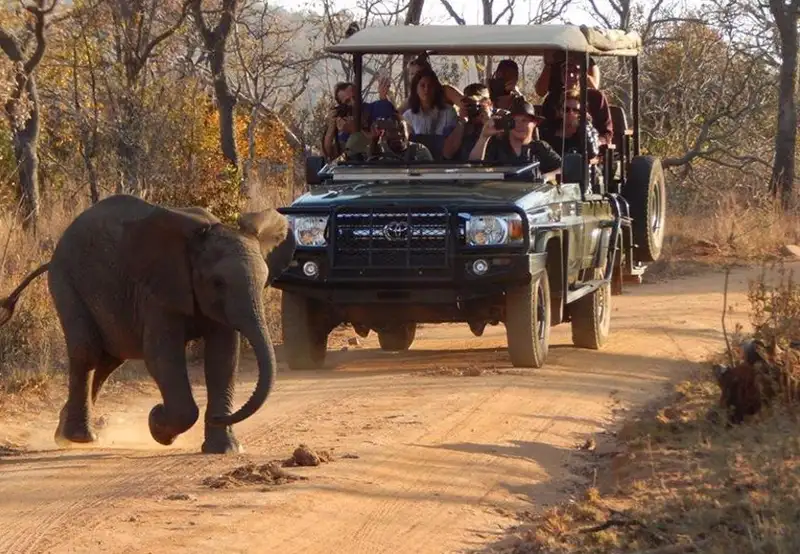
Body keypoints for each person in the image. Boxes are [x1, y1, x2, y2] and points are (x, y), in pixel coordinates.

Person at [469, 99, 562, 177]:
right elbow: (473, 169)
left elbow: (562, 169)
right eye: (514, 121)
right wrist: (484, 137)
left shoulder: (540, 147)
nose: (519, 125)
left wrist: (546, 177)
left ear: (534, 124)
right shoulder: (497, 146)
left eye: (524, 120)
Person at [322, 78, 396, 161]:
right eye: (347, 101)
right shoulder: (345, 127)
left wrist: (383, 96)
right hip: (358, 167)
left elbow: (389, 125)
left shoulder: (375, 108)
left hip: (383, 164)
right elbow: (330, 153)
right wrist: (331, 127)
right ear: (342, 106)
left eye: (355, 97)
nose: (353, 102)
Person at [541, 61, 613, 146]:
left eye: (576, 71)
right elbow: (544, 128)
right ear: (561, 76)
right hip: (557, 147)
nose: (571, 75)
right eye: (567, 71)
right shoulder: (552, 98)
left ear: (583, 75)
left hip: (587, 147)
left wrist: (595, 143)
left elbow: (606, 133)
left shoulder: (596, 97)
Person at [402, 68, 460, 159]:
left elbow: (452, 146)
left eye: (430, 86)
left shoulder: (449, 112)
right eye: (422, 86)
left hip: (444, 162)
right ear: (416, 89)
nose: (426, 89)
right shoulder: (408, 116)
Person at [344, 112, 433, 163]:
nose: (398, 134)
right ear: (384, 134)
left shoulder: (419, 150)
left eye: (401, 129)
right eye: (392, 130)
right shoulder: (378, 150)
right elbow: (370, 171)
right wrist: (374, 142)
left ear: (408, 132)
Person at [540, 87, 601, 159]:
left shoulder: (588, 131)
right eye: (567, 109)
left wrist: (584, 126)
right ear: (560, 111)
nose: (571, 113)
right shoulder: (549, 129)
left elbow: (592, 153)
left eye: (575, 110)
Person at [398, 53, 463, 112]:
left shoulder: (445, 91)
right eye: (411, 74)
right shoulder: (410, 100)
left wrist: (463, 110)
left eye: (418, 73)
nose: (414, 77)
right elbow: (396, 115)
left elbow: (465, 104)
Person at [443, 93, 494, 161]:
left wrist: (487, 120)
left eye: (480, 107)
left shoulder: (497, 121)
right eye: (471, 107)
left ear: (491, 107)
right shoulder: (457, 124)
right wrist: (462, 121)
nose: (476, 111)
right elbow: (447, 154)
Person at [535, 50, 600, 98]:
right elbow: (540, 92)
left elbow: (594, 88)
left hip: (579, 103)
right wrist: (548, 65)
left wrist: (580, 71)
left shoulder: (586, 60)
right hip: (556, 103)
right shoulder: (554, 61)